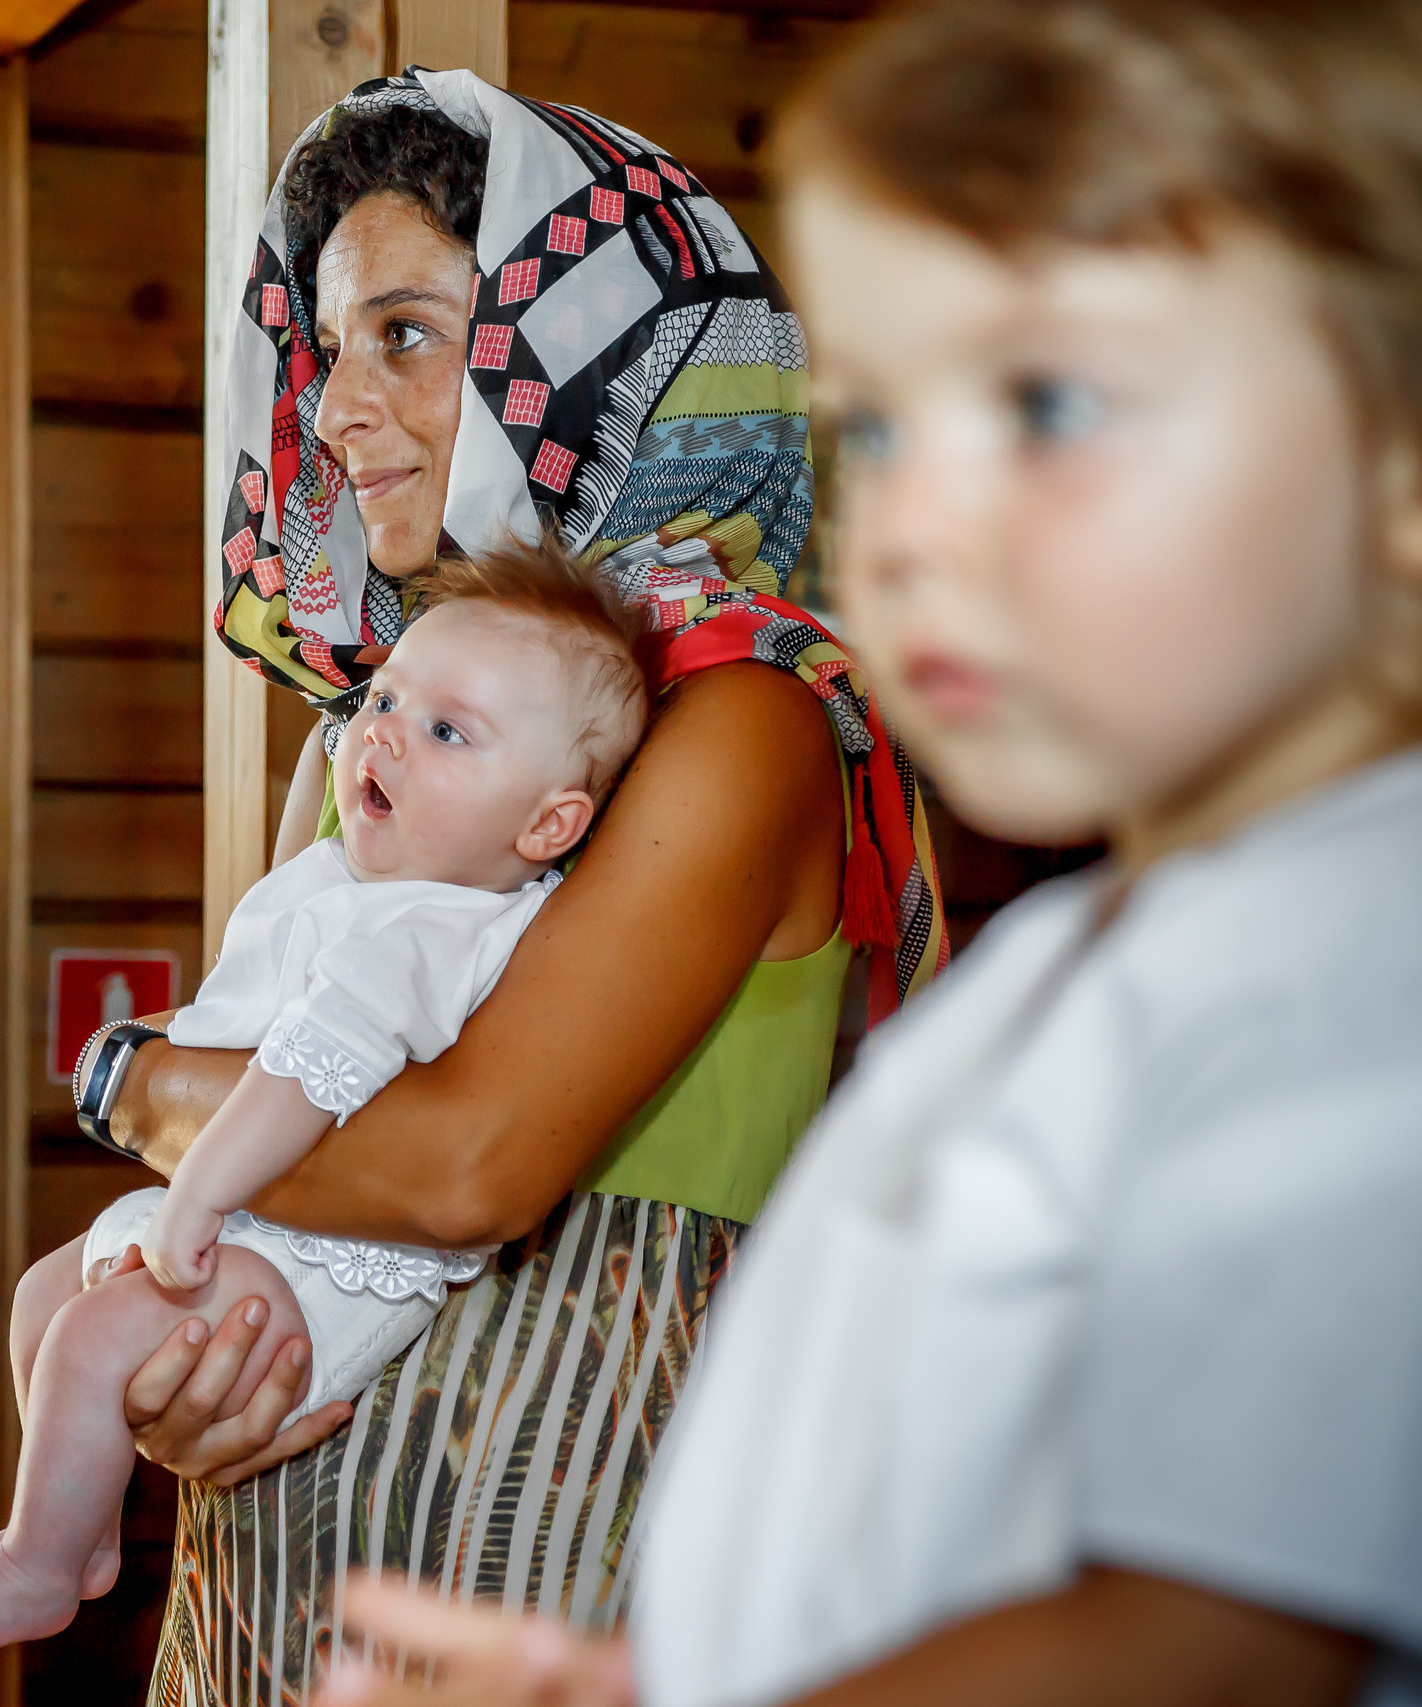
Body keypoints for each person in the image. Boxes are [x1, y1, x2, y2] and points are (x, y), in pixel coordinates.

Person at [304, 2, 1422, 1704]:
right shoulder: (1118, 957)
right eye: (876, 429)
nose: (913, 520)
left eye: (1052, 402)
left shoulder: (1418, 957)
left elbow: (1206, 1638)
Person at [77, 72, 949, 1702]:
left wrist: (129, 1083)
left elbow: (463, 1162)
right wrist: (173, 1371)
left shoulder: (740, 725)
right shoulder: (378, 735)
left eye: (405, 334)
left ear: (604, 354)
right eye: (327, 346)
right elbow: (290, 1164)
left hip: (568, 1603)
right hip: (282, 1606)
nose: (336, 409)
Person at [0, 546, 652, 1670]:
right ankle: (83, 1526)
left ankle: (40, 1562)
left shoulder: (424, 931)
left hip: (335, 1260)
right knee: (40, 1301)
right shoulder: (357, 876)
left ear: (546, 827)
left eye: (448, 732)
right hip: (272, 1219)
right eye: (387, 700)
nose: (386, 733)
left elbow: (302, 1071)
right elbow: (248, 978)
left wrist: (193, 1194)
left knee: (98, 1331)